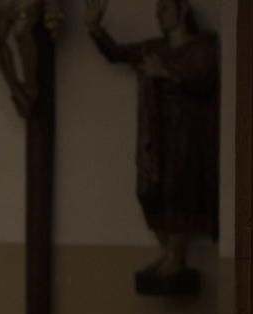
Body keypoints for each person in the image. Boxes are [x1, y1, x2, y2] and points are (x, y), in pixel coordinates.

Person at [84, 0, 219, 294]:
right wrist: (95, 28)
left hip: (185, 137)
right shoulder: (154, 48)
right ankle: (168, 251)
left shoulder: (201, 47)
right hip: (155, 136)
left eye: (165, 8)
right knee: (147, 192)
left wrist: (166, 74)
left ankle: (177, 255)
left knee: (177, 193)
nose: (159, 15)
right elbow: (118, 53)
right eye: (157, 10)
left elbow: (205, 79)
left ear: (182, 11)